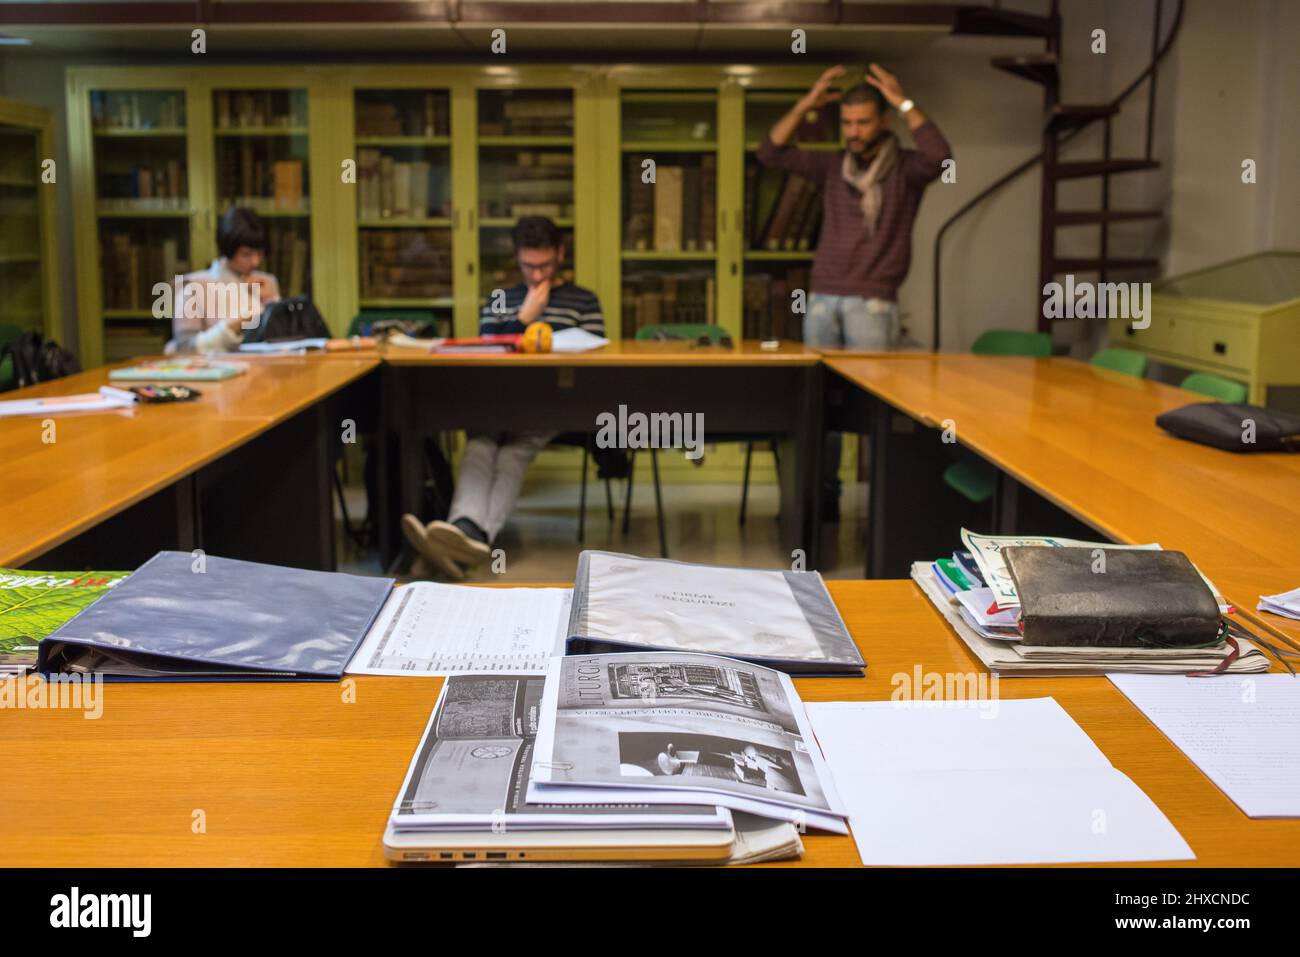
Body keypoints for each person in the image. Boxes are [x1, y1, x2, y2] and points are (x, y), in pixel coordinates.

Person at [757, 63, 952, 517]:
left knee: (874, 413)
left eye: (863, 122)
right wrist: (807, 104)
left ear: (883, 121)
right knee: (816, 408)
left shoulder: (905, 169)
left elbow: (942, 157)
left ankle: (882, 512)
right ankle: (823, 502)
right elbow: (770, 152)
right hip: (822, 298)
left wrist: (904, 101)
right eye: (847, 123)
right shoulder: (831, 166)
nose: (854, 132)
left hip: (872, 303)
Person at [401, 215, 604, 579]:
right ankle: (465, 535)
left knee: (512, 453)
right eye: (528, 266)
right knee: (480, 445)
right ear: (517, 259)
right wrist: (524, 318)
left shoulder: (584, 301)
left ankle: (461, 539)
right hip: (494, 403)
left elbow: (592, 361)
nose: (537, 276)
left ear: (560, 254)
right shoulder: (500, 299)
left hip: (549, 406)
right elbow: (485, 351)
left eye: (545, 265)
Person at [166, 206, 280, 354]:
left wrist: (271, 302)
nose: (255, 262)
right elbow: (184, 348)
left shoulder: (267, 281)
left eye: (260, 253)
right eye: (246, 254)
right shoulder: (193, 285)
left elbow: (281, 341)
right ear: (228, 249)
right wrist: (231, 327)